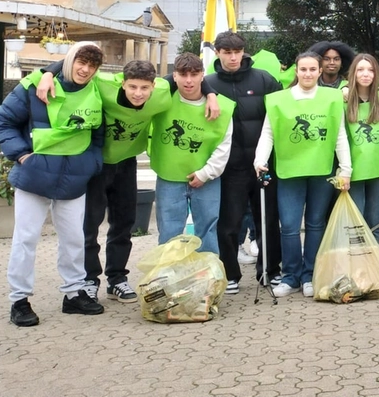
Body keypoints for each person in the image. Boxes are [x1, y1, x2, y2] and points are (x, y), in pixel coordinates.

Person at [32, 58, 221, 304]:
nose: (138, 93)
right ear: (122, 83)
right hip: (96, 164)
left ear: (154, 86)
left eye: (144, 88)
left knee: (124, 224)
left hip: (127, 162)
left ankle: (117, 279)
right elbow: (75, 62)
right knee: (89, 225)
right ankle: (90, 279)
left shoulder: (162, 90)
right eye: (132, 87)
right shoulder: (104, 83)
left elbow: (190, 77)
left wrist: (212, 94)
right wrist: (48, 74)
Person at [0, 42, 107, 327]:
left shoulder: (97, 90)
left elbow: (98, 134)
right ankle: (19, 300)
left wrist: (92, 163)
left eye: (92, 65)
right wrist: (20, 155)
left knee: (74, 239)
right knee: (26, 238)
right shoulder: (34, 86)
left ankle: (73, 294)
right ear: (69, 60)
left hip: (74, 177)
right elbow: (2, 120)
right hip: (34, 175)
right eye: (81, 61)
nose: (85, 69)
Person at [254, 51, 348, 298]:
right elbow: (268, 133)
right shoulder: (277, 99)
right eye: (303, 69)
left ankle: (310, 275)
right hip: (289, 170)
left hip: (321, 170)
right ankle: (290, 276)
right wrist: (260, 159)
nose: (307, 73)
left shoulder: (333, 97)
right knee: (290, 226)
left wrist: (346, 168)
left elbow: (340, 135)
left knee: (316, 224)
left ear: (319, 71)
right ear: (296, 71)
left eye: (312, 69)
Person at [203, 31, 283, 294]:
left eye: (237, 52)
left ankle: (270, 271)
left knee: (268, 221)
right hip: (230, 168)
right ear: (217, 53)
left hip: (263, 166)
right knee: (229, 224)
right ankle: (231, 275)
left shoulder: (263, 79)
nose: (233, 57)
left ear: (244, 52)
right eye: (227, 52)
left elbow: (281, 115)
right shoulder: (209, 83)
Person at [149, 53, 235, 253]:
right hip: (169, 176)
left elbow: (224, 145)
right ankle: (169, 273)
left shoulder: (222, 107)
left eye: (194, 74)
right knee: (169, 230)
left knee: (207, 229)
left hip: (207, 179)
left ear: (202, 76)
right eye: (183, 74)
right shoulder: (162, 98)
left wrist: (206, 173)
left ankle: (208, 276)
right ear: (175, 76)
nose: (189, 80)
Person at [345, 54, 379, 247]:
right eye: (360, 70)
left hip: (377, 169)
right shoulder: (343, 101)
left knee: (374, 217)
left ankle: (373, 257)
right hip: (353, 170)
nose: (365, 74)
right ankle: (357, 258)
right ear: (353, 73)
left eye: (370, 70)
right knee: (355, 218)